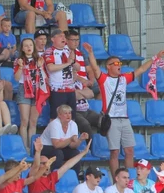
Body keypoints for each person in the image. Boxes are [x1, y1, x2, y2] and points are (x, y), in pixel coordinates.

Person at [84, 43, 164, 176]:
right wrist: (91, 53)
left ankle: (129, 179)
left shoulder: (124, 78)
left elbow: (141, 69)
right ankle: (117, 181)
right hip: (112, 120)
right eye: (115, 63)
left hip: (125, 119)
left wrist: (155, 58)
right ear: (108, 67)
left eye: (120, 63)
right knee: (114, 152)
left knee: (129, 151)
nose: (119, 65)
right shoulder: (104, 79)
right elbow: (94, 67)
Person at [28, 137, 92, 193]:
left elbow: (68, 165)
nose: (47, 165)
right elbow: (35, 166)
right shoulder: (33, 179)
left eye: (49, 163)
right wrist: (38, 152)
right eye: (43, 163)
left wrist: (83, 153)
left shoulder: (51, 177)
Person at [65, 30, 99, 138]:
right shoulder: (64, 54)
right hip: (76, 83)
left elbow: (89, 70)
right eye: (73, 40)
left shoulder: (81, 53)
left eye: (77, 40)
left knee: (102, 87)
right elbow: (72, 74)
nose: (76, 43)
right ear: (67, 41)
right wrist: (83, 81)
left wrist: (91, 80)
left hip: (84, 84)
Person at [15, 37, 45, 152]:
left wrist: (41, 67)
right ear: (22, 48)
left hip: (37, 89)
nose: (29, 47)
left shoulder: (39, 59)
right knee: (24, 121)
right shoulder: (19, 60)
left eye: (30, 45)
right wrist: (21, 67)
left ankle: (31, 148)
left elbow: (44, 77)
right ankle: (24, 147)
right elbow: (17, 78)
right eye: (26, 45)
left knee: (33, 122)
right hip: (24, 89)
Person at [39, 104, 87, 172]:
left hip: (60, 147)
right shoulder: (54, 124)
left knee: (76, 153)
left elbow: (72, 146)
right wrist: (70, 139)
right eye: (65, 113)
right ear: (59, 115)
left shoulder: (73, 124)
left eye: (69, 113)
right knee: (58, 153)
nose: (68, 115)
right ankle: (53, 175)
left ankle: (75, 176)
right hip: (44, 147)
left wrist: (80, 139)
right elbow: (56, 145)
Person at [44, 29, 77, 119]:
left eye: (64, 36)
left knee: (71, 117)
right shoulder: (49, 51)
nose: (63, 38)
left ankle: (71, 133)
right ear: (53, 39)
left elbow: (76, 67)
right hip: (57, 89)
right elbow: (51, 67)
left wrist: (74, 64)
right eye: (60, 36)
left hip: (70, 89)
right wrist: (68, 63)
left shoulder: (68, 50)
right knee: (55, 117)